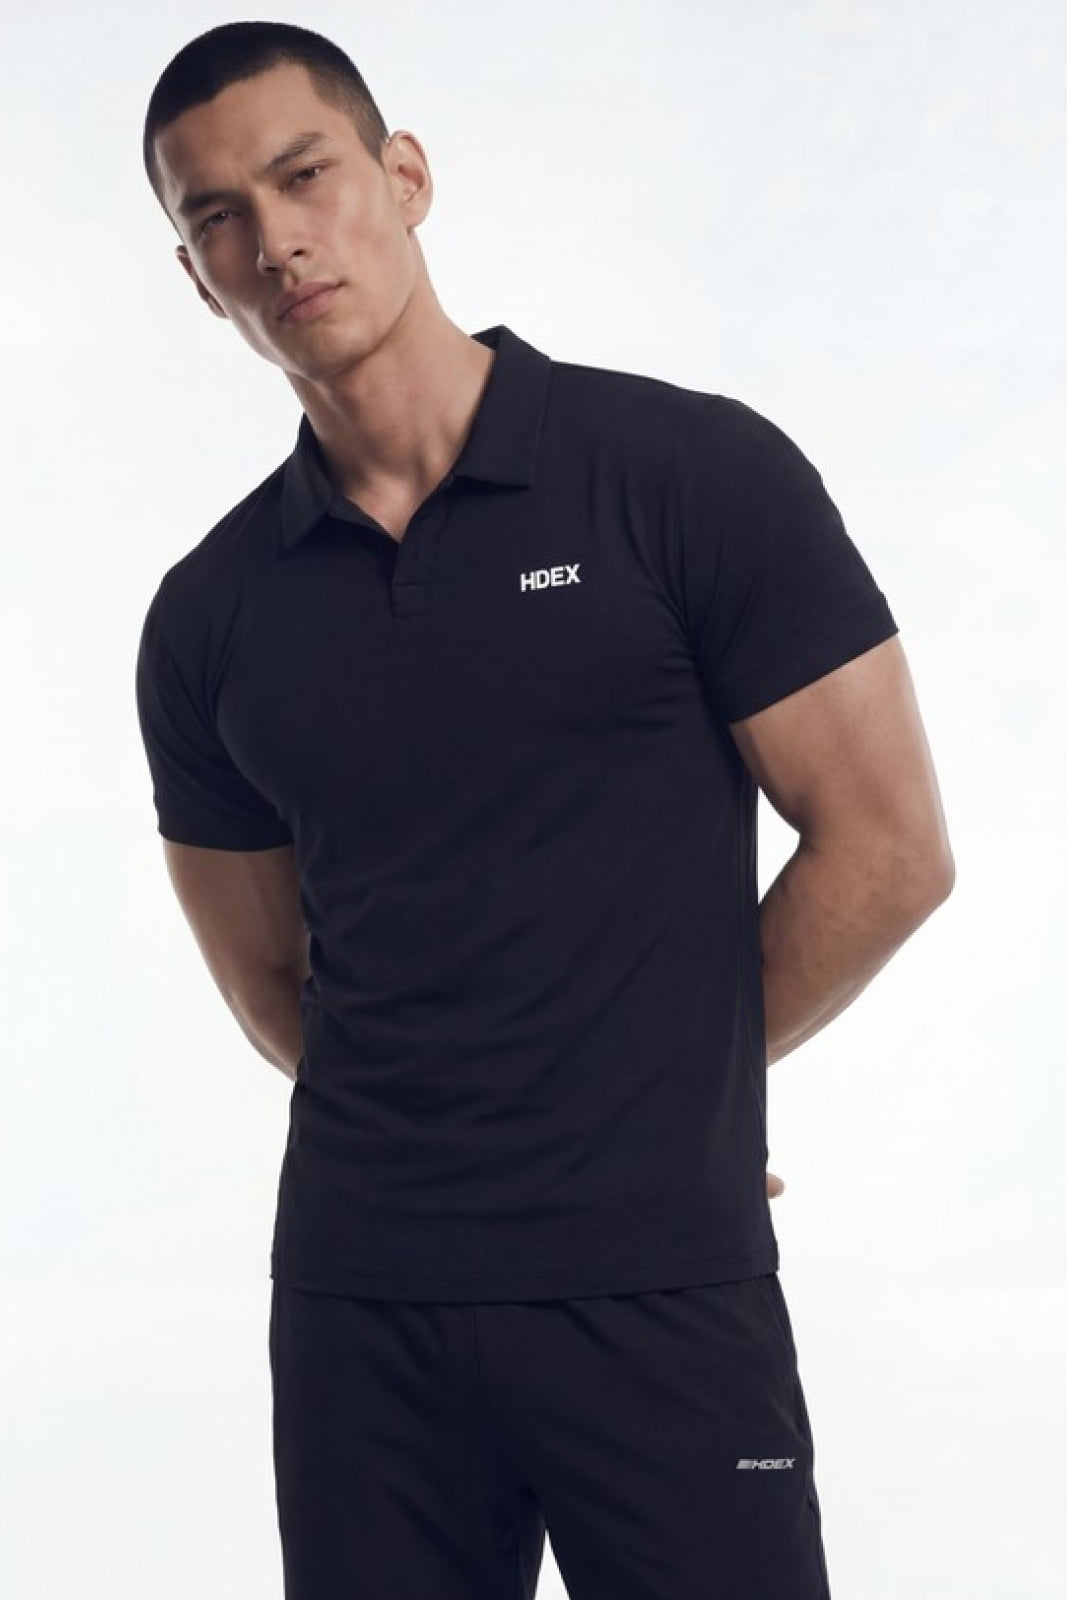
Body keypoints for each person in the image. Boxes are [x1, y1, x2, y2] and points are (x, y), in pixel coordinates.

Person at [135, 20, 955, 1600]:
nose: (275, 240)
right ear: (195, 274)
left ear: (404, 175)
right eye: (218, 216)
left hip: (659, 1287)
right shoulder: (210, 615)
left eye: (304, 176)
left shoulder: (687, 476)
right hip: (363, 1313)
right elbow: (275, 983)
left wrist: (661, 1102)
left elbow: (891, 847)